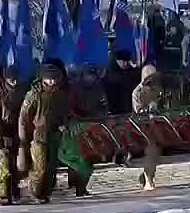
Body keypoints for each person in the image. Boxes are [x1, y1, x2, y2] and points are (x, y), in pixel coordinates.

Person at [18, 59, 69, 204]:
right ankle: (35, 193)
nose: (52, 82)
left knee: (51, 167)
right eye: (49, 79)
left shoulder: (60, 93)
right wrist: (24, 137)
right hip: (38, 135)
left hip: (55, 134)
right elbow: (24, 117)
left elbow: (64, 112)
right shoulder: (34, 94)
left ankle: (45, 193)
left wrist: (63, 124)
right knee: (39, 167)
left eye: (54, 79)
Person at [0, 66, 27, 204]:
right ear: (5, 79)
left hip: (17, 132)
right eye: (11, 80)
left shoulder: (21, 91)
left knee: (16, 165)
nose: (14, 82)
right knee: (5, 166)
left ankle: (14, 189)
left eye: (16, 79)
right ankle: (4, 194)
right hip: (2, 134)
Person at [67, 65, 109, 195]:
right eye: (88, 76)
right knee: (79, 157)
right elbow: (70, 108)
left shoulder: (98, 89)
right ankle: (74, 183)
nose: (90, 78)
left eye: (93, 76)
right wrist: (78, 118)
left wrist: (100, 118)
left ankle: (82, 186)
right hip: (78, 126)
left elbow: (103, 106)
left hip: (93, 125)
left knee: (90, 157)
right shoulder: (75, 89)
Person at [131, 63, 166, 190]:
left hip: (157, 125)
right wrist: (148, 109)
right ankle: (148, 179)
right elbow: (138, 110)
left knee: (156, 153)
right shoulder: (137, 92)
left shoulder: (157, 89)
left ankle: (146, 175)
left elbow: (163, 103)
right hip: (143, 127)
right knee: (152, 151)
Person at [104, 50, 140, 116]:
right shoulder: (110, 73)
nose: (125, 64)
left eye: (127, 61)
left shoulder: (134, 71)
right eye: (122, 61)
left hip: (132, 109)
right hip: (115, 111)